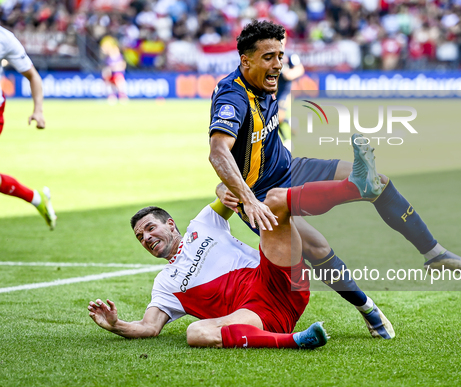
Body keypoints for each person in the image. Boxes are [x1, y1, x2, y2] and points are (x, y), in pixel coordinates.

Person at [209, 20, 461, 340]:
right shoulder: (232, 95)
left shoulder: (269, 82)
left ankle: (434, 253)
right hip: (262, 198)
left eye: (280, 55)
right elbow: (217, 152)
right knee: (317, 247)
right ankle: (369, 310)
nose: (278, 64)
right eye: (269, 57)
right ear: (245, 61)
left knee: (376, 180)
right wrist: (244, 196)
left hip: (290, 168)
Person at [88, 141, 386, 348]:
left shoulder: (202, 223)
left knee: (273, 201)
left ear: (170, 224)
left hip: (277, 279)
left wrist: (221, 187)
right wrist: (117, 325)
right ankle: (297, 340)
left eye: (150, 228)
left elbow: (230, 188)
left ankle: (355, 187)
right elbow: (149, 327)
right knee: (195, 332)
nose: (147, 238)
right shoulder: (165, 284)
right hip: (254, 315)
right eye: (141, 237)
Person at [0, 26, 56, 230]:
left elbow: (33, 76)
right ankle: (36, 198)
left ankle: (36, 198)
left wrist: (38, 111)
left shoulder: (5, 38)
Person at [100, 36, 128, 105]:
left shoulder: (118, 56)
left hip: (118, 74)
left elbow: (122, 66)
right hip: (111, 75)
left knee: (119, 84)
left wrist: (113, 68)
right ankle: (111, 97)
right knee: (108, 84)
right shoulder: (108, 58)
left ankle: (122, 97)